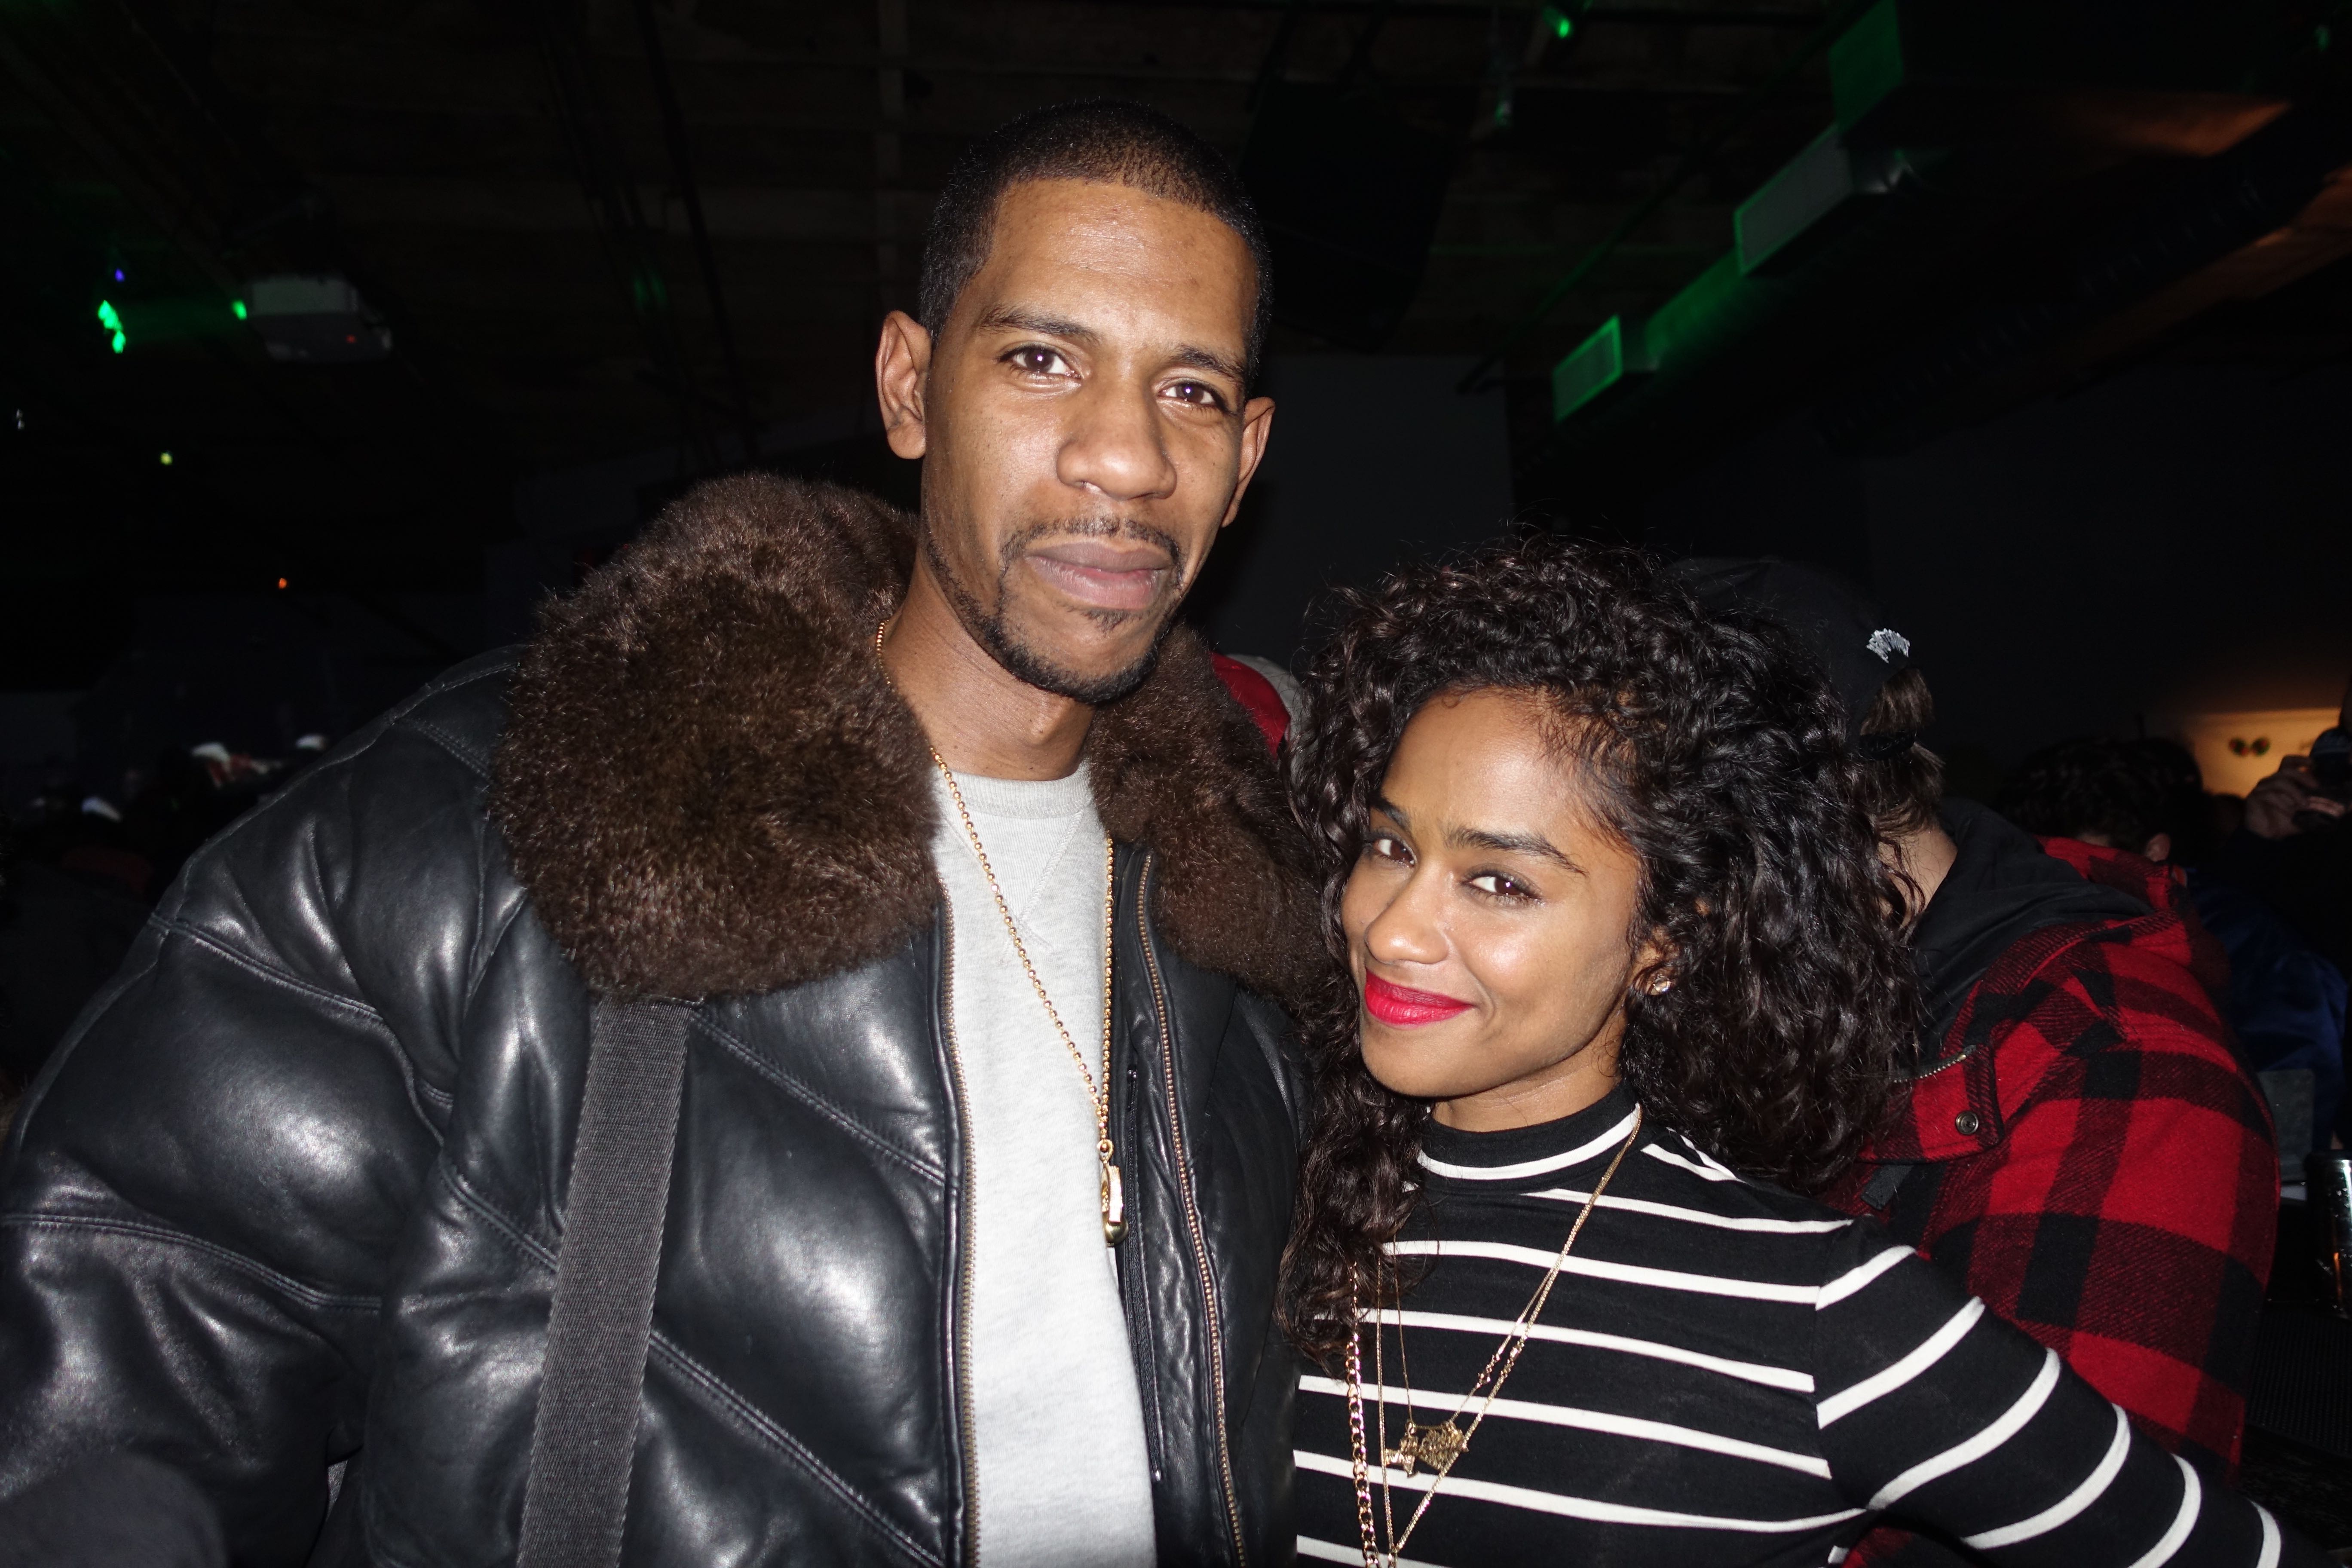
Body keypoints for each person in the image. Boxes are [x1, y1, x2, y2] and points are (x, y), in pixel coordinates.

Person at [0, 101, 1322, 1567]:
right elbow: (124, 1375)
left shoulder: (1263, 939)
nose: (1125, 457)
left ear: (1246, 455)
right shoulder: (498, 814)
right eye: (1041, 360)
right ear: (909, 387)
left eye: (1191, 390)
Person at [1276, 535, 2318, 1565]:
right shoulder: (1263, 1203)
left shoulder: (1847, 1290)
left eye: (1501, 881)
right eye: (1389, 845)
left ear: (1681, 921)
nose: (1393, 930)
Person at [1673, 562, 2274, 1507]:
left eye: (1663, 854)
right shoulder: (1774, 1001)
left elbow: (2062, 1511)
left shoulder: (2114, 1053)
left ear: (1783, 822)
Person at [2000, 735, 2347, 1153]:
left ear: (2155, 852)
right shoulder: (2013, 933)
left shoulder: (2250, 941)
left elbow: (2294, 1105)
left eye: (2089, 873)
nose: (2064, 900)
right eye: (2042, 876)